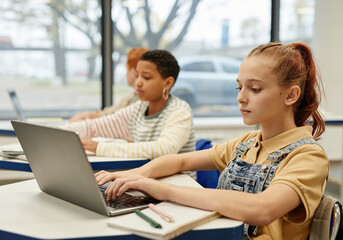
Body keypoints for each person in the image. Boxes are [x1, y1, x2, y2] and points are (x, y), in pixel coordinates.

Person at [95, 42, 329, 240]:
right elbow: (180, 161)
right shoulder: (247, 143)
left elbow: (261, 209)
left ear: (291, 95)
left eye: (255, 89)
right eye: (239, 87)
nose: (241, 97)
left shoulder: (308, 157)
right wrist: (136, 174)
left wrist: (160, 189)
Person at [63, 50, 195, 159]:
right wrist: (58, 134)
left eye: (146, 77)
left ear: (168, 83)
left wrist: (100, 148)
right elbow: (94, 127)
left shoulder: (179, 110)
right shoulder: (139, 107)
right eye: (137, 76)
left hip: (178, 183)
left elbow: (164, 149)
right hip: (149, 179)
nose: (138, 82)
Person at [69, 47, 149, 123]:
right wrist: (90, 115)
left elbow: (116, 119)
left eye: (127, 69)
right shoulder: (131, 96)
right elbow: (113, 112)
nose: (126, 74)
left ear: (133, 72)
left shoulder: (141, 100)